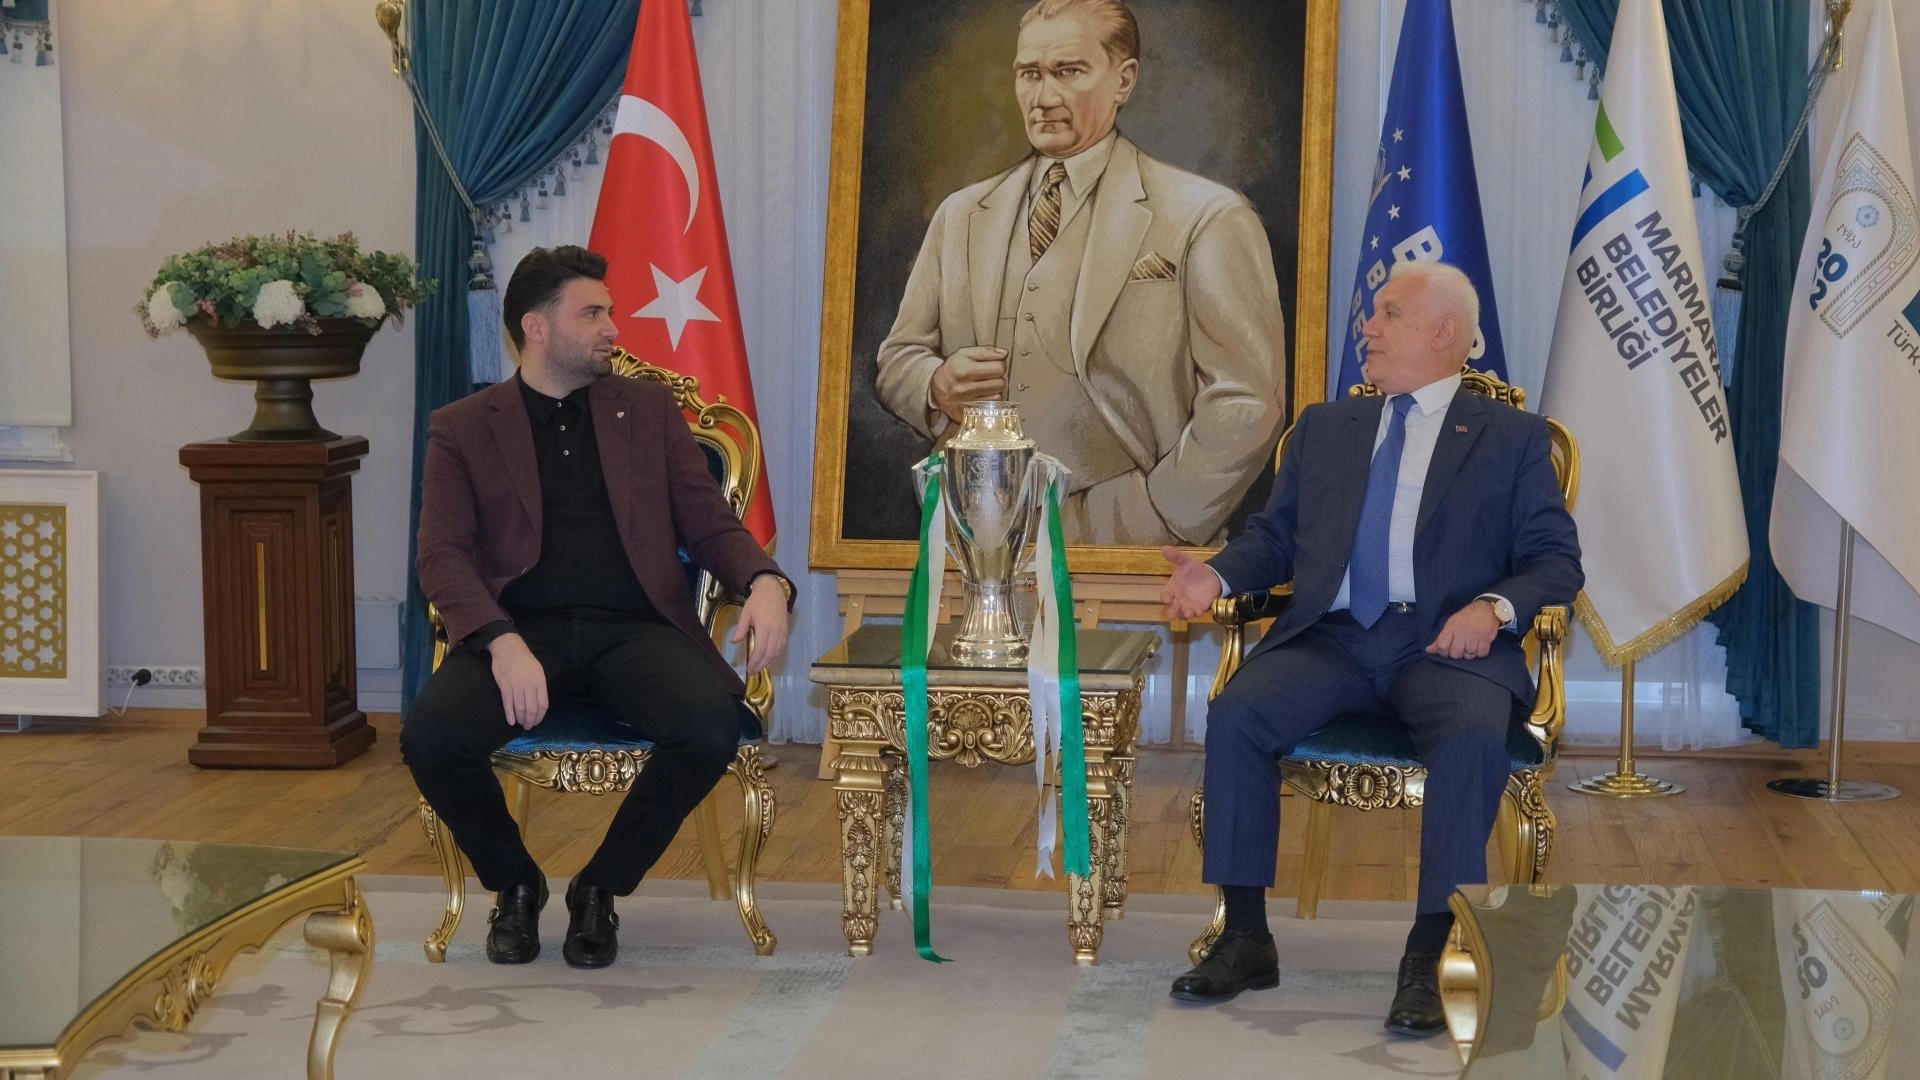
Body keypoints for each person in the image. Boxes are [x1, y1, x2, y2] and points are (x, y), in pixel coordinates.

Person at [1159, 260, 1582, 1035]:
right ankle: (1245, 936)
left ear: (1443, 333)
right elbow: (1275, 539)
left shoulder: (1512, 439)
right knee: (1239, 713)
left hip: (1447, 646)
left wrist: (1492, 609)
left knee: (1471, 735)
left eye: (1389, 313)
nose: (1369, 325)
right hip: (1334, 640)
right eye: (1374, 313)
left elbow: (1556, 561)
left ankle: (1431, 950)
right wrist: (1214, 575)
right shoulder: (1328, 428)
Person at [404, 245, 794, 969]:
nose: (613, 327)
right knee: (431, 737)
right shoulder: (463, 426)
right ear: (537, 327)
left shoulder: (646, 411)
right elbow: (442, 556)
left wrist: (768, 581)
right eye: (593, 314)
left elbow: (710, 525)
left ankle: (599, 888)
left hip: (635, 630)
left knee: (709, 728)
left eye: (609, 312)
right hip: (521, 632)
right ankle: (516, 884)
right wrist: (500, 641)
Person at [874, 0, 1287, 547]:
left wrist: (1157, 516)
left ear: (1124, 80)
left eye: (1068, 71)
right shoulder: (961, 214)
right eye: (1030, 74)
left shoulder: (1206, 215)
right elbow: (898, 358)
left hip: (1132, 543)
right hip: (971, 535)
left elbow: (1247, 400)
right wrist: (935, 386)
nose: (1044, 97)